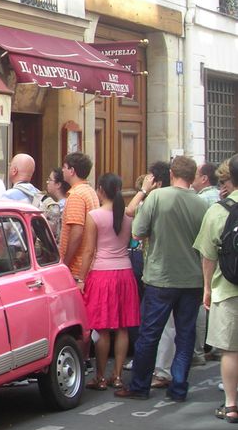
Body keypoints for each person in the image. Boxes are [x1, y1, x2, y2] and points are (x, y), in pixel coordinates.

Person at [116, 156, 208, 402]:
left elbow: (138, 231)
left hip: (161, 277)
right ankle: (178, 388)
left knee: (150, 334)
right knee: (185, 335)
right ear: (191, 177)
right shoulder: (202, 204)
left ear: (171, 173)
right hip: (192, 279)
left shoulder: (158, 197)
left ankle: (139, 385)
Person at [78, 173, 141, 390]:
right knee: (122, 327)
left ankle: (100, 377)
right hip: (125, 272)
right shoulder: (127, 216)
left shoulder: (94, 216)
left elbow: (88, 251)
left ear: (101, 190)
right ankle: (118, 376)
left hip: (101, 274)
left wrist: (81, 278)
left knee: (103, 328)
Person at [194, 153, 238, 423]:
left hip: (228, 289)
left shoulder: (219, 210)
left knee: (231, 351)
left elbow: (208, 254)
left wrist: (207, 288)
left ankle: (232, 405)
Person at [59, 152, 100, 281]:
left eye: (64, 167)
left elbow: (77, 232)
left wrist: (65, 263)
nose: (62, 170)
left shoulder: (76, 195)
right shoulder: (90, 191)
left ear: (72, 171)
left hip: (76, 267)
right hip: (88, 264)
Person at [42, 168, 69, 241]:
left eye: (50, 180)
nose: (47, 182)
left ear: (58, 184)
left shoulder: (58, 207)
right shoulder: (68, 202)